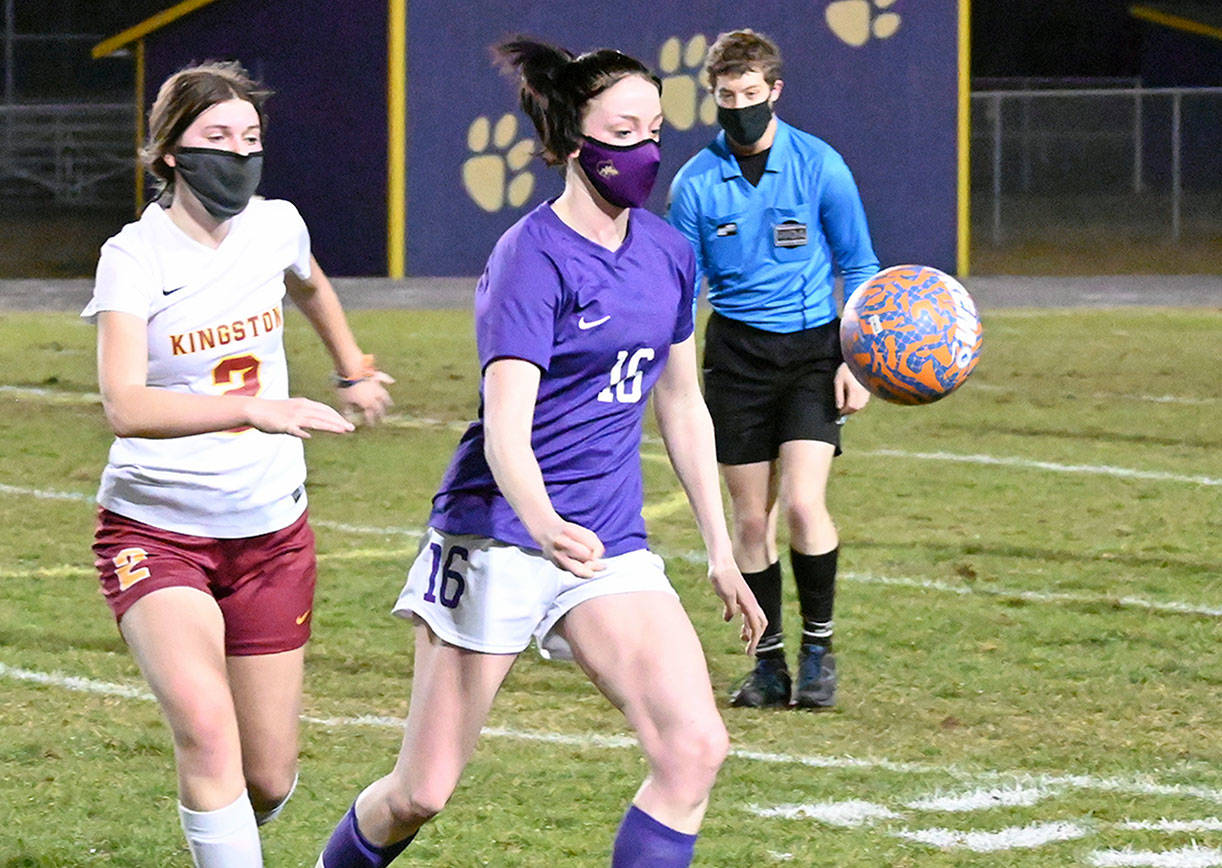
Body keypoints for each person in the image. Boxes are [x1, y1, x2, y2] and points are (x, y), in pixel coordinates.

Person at [316, 39, 765, 868]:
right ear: (571, 142)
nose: (645, 152)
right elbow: (504, 430)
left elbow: (680, 401)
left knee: (694, 748)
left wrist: (717, 547)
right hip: (500, 536)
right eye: (623, 132)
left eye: (654, 131)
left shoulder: (669, 253)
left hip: (605, 543)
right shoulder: (530, 258)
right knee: (421, 792)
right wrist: (544, 521)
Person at [83, 61, 393, 867]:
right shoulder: (134, 256)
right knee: (207, 733)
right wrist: (255, 408)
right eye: (218, 138)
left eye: (251, 139)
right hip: (158, 533)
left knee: (265, 776)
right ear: (171, 152)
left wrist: (353, 367)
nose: (240, 155)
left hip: (271, 538)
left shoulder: (276, 223)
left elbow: (311, 285)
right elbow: (125, 404)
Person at [667, 29, 880, 709]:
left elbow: (861, 266)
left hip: (815, 351)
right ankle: (768, 664)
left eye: (751, 95)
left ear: (775, 91)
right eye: (727, 97)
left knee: (803, 503)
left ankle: (819, 654)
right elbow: (680, 292)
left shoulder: (821, 166)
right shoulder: (695, 184)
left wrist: (859, 359)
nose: (739, 108)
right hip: (737, 357)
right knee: (749, 522)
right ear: (712, 98)